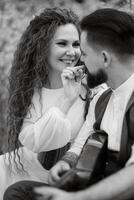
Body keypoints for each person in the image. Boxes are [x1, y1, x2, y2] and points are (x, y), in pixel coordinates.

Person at [4, 7, 134, 200]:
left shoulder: (101, 93)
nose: (78, 58)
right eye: (62, 44)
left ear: (105, 58)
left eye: (85, 53)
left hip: (111, 192)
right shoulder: (102, 99)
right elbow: (82, 142)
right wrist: (67, 161)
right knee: (18, 191)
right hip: (89, 181)